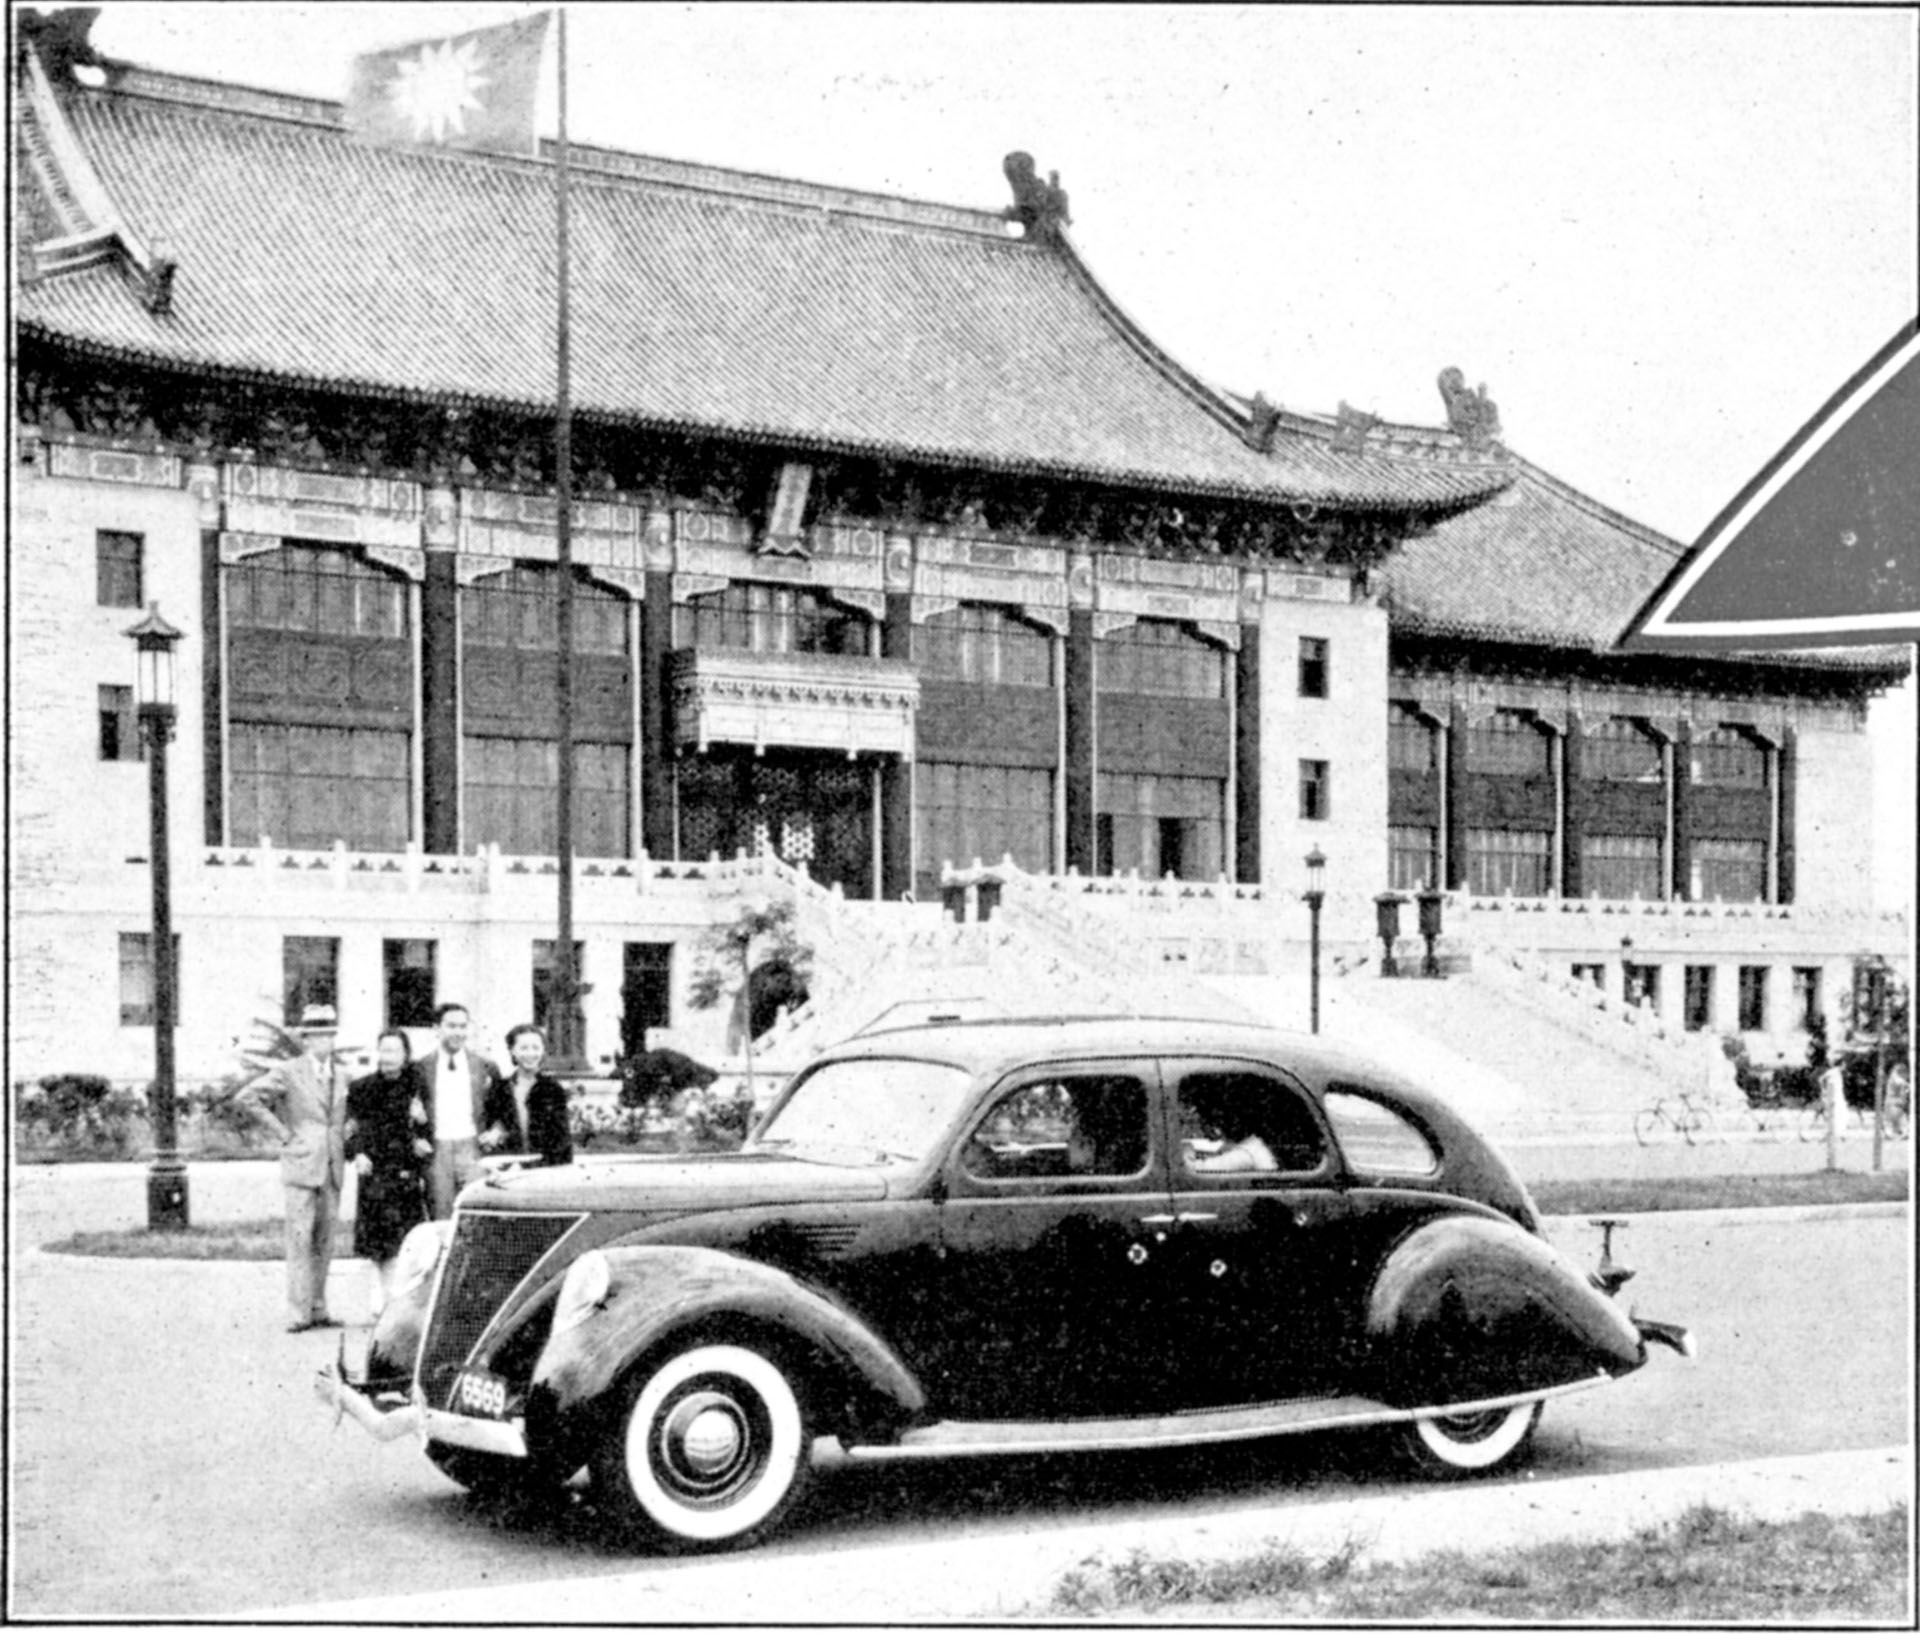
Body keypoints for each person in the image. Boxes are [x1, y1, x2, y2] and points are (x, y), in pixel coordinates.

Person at [235, 1002, 350, 1331]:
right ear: (306, 1039)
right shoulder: (290, 1070)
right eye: (317, 1035)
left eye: (329, 1035)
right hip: (301, 1163)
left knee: (325, 1241)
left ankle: (318, 1307)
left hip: (332, 1165)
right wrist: (284, 1133)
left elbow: (343, 1116)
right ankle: (297, 1311)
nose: (323, 1041)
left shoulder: (342, 1075)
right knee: (300, 1238)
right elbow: (248, 1097)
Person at [344, 1029, 432, 1319]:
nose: (387, 1056)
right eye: (383, 1049)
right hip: (374, 1170)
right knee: (377, 1241)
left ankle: (401, 1300)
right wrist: (357, 1153)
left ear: (406, 1055)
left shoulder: (417, 1088)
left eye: (394, 1050)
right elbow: (351, 1128)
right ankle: (378, 1296)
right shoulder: (362, 1087)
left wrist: (422, 1126)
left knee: (405, 1239)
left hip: (404, 1171)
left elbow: (427, 1130)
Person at [418, 1001, 502, 1219]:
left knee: (476, 1212)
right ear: (437, 1029)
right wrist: (416, 1139)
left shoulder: (485, 1066)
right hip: (438, 1149)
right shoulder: (420, 1068)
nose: (458, 1032)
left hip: (472, 1147)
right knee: (441, 1214)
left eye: (463, 1026)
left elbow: (501, 1110)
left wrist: (496, 1130)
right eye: (451, 1026)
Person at [480, 1023, 574, 1168]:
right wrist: (495, 1133)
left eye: (535, 1048)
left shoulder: (553, 1089)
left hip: (544, 1170)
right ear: (512, 1051)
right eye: (523, 1048)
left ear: (543, 1051)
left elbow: (562, 1141)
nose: (530, 1054)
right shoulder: (500, 1089)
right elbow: (493, 1124)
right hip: (508, 1168)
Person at [1186, 1087, 1278, 1174]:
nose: (1203, 1131)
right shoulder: (1252, 1144)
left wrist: (1186, 1152)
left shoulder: (1244, 1155)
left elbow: (1198, 1168)